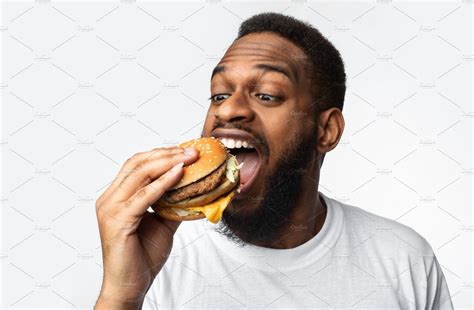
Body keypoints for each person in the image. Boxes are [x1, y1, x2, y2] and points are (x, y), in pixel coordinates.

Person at [94, 12, 454, 309]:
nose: (229, 109)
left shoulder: (402, 259)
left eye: (267, 95)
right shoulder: (157, 259)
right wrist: (121, 295)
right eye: (218, 94)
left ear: (326, 130)